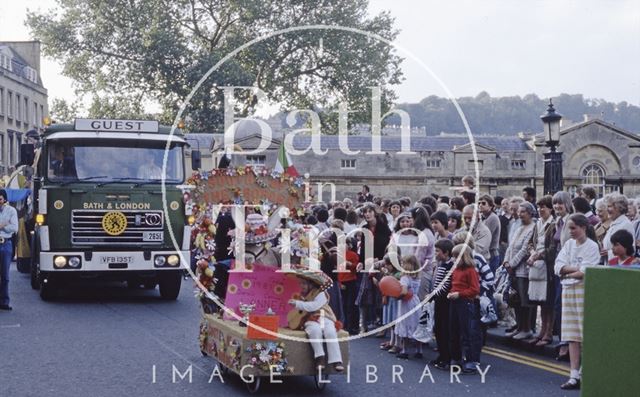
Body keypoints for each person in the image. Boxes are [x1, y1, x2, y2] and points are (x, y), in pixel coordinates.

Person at [554, 214, 600, 390]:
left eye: (574, 228)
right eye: (569, 228)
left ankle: (583, 372)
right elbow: (558, 266)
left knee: (584, 334)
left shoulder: (592, 246)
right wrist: (570, 270)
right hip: (568, 291)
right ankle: (573, 375)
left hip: (583, 292)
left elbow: (587, 270)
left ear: (584, 227)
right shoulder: (568, 245)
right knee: (571, 335)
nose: (571, 232)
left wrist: (567, 272)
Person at [288, 269, 344, 372]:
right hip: (311, 318)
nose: (302, 286)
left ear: (311, 284)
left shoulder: (321, 293)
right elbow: (301, 312)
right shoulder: (302, 295)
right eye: (300, 284)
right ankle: (319, 357)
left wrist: (297, 303)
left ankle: (336, 360)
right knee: (314, 331)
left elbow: (313, 306)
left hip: (325, 317)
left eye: (304, 283)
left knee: (330, 332)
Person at [526, 195, 557, 346]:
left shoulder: (554, 224)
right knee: (540, 301)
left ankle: (548, 333)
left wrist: (539, 255)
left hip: (548, 268)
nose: (540, 210)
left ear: (550, 209)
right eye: (538, 207)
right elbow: (531, 242)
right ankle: (541, 331)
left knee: (548, 302)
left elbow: (552, 248)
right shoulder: (537, 224)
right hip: (536, 266)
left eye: (543, 207)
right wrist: (532, 253)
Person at [503, 201, 536, 340]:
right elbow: (511, 247)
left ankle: (526, 328)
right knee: (515, 300)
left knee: (524, 301)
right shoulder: (518, 227)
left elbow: (524, 250)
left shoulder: (533, 228)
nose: (519, 214)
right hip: (513, 270)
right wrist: (506, 262)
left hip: (523, 270)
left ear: (530, 213)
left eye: (523, 212)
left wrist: (512, 264)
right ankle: (519, 326)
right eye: (519, 211)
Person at [448, 243, 482, 374]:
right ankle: (456, 358)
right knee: (454, 330)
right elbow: (454, 285)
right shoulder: (456, 270)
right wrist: (452, 293)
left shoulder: (470, 270)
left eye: (456, 257)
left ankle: (470, 360)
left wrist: (459, 294)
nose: (453, 259)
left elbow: (475, 289)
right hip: (455, 301)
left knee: (466, 332)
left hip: (465, 302)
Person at [428, 239, 455, 370]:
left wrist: (434, 295)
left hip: (445, 301)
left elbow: (446, 285)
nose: (435, 253)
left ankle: (447, 357)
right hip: (438, 299)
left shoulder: (450, 266)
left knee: (444, 330)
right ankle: (441, 355)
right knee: (438, 329)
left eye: (438, 251)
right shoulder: (440, 264)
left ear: (446, 252)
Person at [394, 255, 423, 359]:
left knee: (405, 324)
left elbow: (404, 291)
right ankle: (419, 350)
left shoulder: (405, 278)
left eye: (403, 263)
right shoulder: (417, 277)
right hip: (415, 301)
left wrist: (398, 296)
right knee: (415, 324)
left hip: (406, 303)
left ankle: (404, 350)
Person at [0, 189, 19, 311]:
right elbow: (8, 226)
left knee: (5, 276)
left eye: (0, 199)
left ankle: (4, 302)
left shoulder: (11, 211)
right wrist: (3, 224)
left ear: (4, 199)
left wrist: (3, 227)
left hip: (5, 244)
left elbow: (14, 228)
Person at [601, 193, 634, 261]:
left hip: (620, 268)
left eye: (609, 206)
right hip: (609, 265)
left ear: (619, 208)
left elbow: (630, 250)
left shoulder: (626, 224)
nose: (607, 209)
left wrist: (609, 253)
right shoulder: (614, 223)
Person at [479, 195, 502, 272]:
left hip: (491, 254)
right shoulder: (484, 218)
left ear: (491, 206)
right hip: (486, 254)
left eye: (483, 203)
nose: (480, 205)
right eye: (479, 203)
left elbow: (485, 236)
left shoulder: (492, 218)